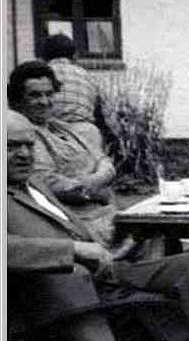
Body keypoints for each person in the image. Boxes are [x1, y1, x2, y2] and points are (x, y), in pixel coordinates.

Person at [6, 110, 189, 341]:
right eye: (12, 147)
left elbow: (69, 224)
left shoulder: (34, 184)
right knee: (186, 305)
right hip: (65, 291)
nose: (24, 155)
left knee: (188, 265)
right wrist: (74, 250)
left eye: (29, 146)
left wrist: (111, 243)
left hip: (105, 272)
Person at [8, 60, 117, 246]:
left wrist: (90, 184)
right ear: (17, 100)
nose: (44, 101)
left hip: (105, 213)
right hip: (79, 222)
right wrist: (98, 189)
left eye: (49, 94)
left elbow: (104, 160)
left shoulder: (63, 128)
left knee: (155, 232)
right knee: (152, 235)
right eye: (35, 95)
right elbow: (51, 184)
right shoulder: (25, 139)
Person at [40, 34, 108, 146]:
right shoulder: (87, 76)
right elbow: (99, 115)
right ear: (74, 55)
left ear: (44, 56)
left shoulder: (41, 74)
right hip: (85, 133)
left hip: (53, 134)